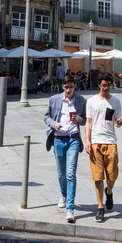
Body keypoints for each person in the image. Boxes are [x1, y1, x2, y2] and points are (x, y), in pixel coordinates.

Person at [44, 75, 87, 224]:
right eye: (66, 87)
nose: (68, 89)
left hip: (73, 139)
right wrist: (54, 124)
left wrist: (78, 119)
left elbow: (85, 120)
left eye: (71, 86)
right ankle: (63, 195)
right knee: (61, 174)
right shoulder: (54, 99)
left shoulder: (81, 100)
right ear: (63, 87)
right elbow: (46, 117)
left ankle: (70, 208)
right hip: (58, 139)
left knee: (70, 174)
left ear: (75, 86)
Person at [85, 72, 122, 223]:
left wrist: (119, 123)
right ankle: (100, 207)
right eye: (103, 85)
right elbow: (88, 122)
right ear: (99, 85)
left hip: (110, 141)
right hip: (95, 141)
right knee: (97, 175)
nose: (105, 87)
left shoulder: (116, 101)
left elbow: (117, 121)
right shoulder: (91, 101)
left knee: (112, 174)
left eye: (108, 85)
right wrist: (87, 140)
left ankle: (109, 191)